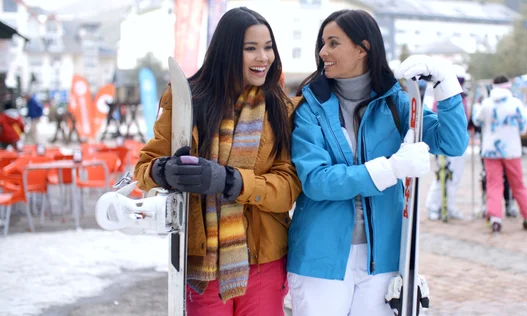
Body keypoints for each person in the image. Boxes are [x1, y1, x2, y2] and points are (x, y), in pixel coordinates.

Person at [287, 9, 468, 315]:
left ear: (363, 47)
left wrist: (446, 83)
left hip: (383, 255)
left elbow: (452, 142)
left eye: (333, 43)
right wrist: (391, 169)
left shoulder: (396, 102)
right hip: (321, 256)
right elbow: (317, 181)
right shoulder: (310, 108)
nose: (322, 52)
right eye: (322, 43)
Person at [134, 7, 302, 316]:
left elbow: (289, 186)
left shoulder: (281, 108)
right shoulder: (187, 100)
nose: (263, 57)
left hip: (263, 260)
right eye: (250, 48)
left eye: (268, 47)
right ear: (227, 51)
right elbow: (144, 167)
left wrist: (232, 181)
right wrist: (166, 171)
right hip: (203, 262)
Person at [472, 75, 527, 233]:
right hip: (512, 150)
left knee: (493, 184)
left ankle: (495, 218)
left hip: (490, 150)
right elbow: (523, 128)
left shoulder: (486, 104)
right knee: (518, 184)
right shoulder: (516, 104)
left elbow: (477, 121)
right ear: (508, 87)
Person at [426, 64, 469, 220]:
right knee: (442, 176)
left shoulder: (462, 98)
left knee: (455, 177)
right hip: (445, 142)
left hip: (460, 141)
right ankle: (433, 206)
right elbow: (437, 117)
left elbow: (465, 119)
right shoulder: (442, 97)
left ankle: (449, 205)